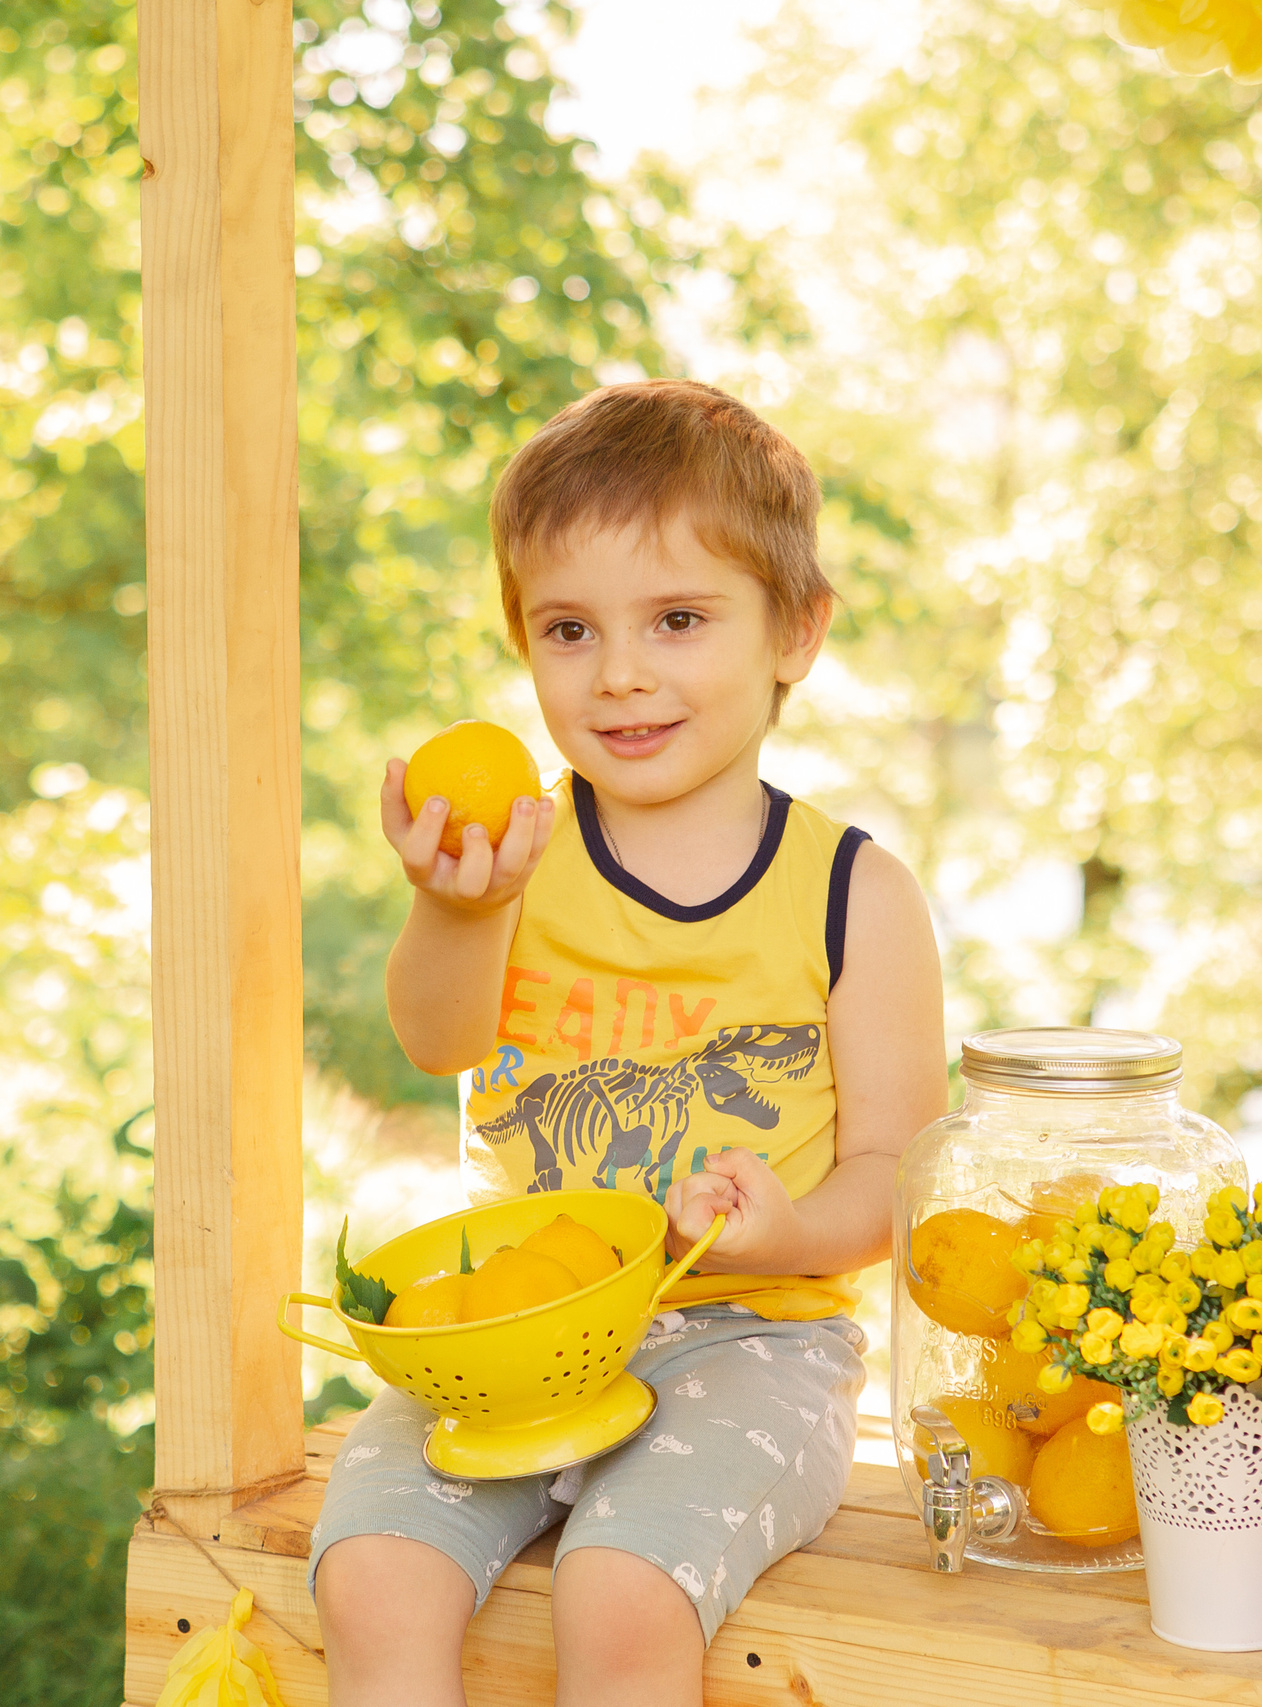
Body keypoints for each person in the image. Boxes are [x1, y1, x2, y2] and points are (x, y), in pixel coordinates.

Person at [310, 379, 948, 1707]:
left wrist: (784, 1235)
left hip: (750, 1347)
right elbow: (437, 1041)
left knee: (622, 1593)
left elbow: (898, 1173)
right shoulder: (517, 857)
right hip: (507, 1331)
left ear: (797, 630)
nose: (622, 673)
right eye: (569, 629)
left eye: (679, 619)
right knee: (372, 1572)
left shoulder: (855, 895)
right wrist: (454, 904)